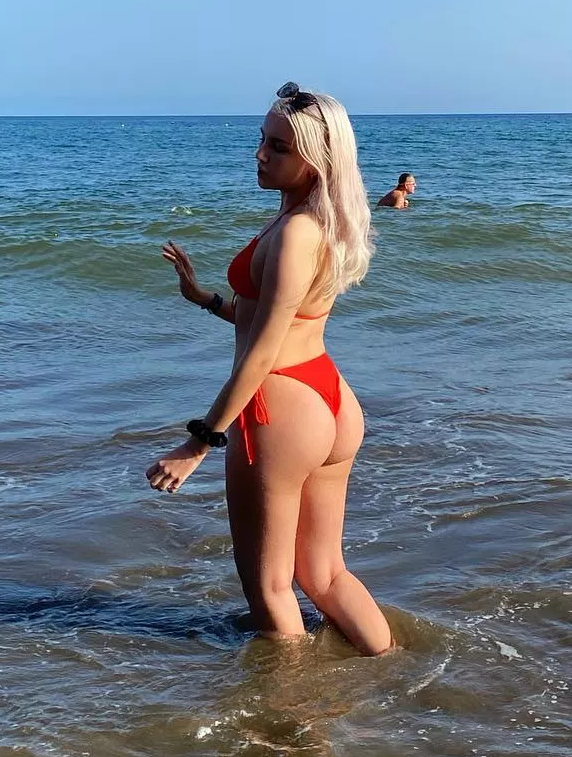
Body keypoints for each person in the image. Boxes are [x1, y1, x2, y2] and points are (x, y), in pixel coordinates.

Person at [147, 81, 393, 656]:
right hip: (328, 398)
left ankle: (291, 726)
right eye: (262, 140)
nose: (260, 154)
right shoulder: (316, 223)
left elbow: (262, 352)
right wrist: (206, 298)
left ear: (318, 160)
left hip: (279, 410)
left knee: (270, 590)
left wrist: (199, 443)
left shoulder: (296, 234)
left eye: (279, 148)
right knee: (324, 574)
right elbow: (271, 320)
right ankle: (392, 674)